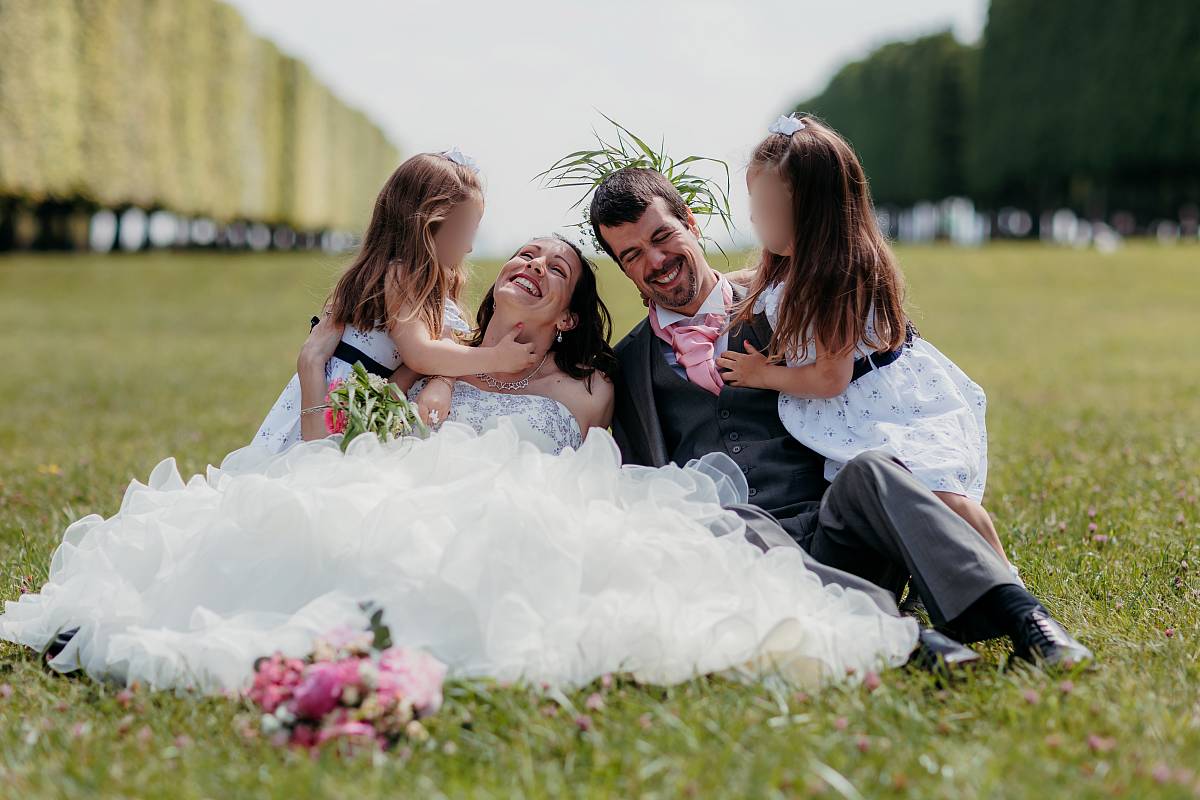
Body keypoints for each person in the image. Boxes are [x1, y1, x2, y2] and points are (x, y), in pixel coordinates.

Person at [0, 236, 919, 693]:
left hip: (519, 516)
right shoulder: (425, 355)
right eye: (521, 255)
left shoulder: (586, 386)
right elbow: (327, 453)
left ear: (566, 315)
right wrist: (319, 370)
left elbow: (618, 466)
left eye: (553, 271)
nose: (528, 266)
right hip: (400, 497)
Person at [595, 165, 1092, 668]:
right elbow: (645, 493)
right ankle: (914, 645)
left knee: (873, 468)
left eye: (663, 236)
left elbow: (883, 379)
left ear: (692, 224)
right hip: (739, 559)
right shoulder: (628, 366)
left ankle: (1031, 624)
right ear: (623, 268)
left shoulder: (788, 300)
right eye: (633, 254)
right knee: (727, 518)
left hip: (838, 532)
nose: (656, 260)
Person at [716, 113, 1014, 576]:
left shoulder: (837, 277)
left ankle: (1003, 580)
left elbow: (829, 378)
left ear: (812, 214)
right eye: (754, 203)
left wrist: (762, 375)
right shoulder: (793, 263)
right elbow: (758, 282)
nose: (754, 217)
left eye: (767, 207)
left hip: (889, 403)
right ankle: (932, 575)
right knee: (889, 510)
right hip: (859, 413)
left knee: (937, 491)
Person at [252, 150, 540, 454]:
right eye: (465, 231)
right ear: (429, 226)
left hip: (362, 404)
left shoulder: (428, 289)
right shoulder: (400, 275)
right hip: (333, 399)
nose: (469, 247)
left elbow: (437, 351)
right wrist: (497, 357)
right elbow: (420, 354)